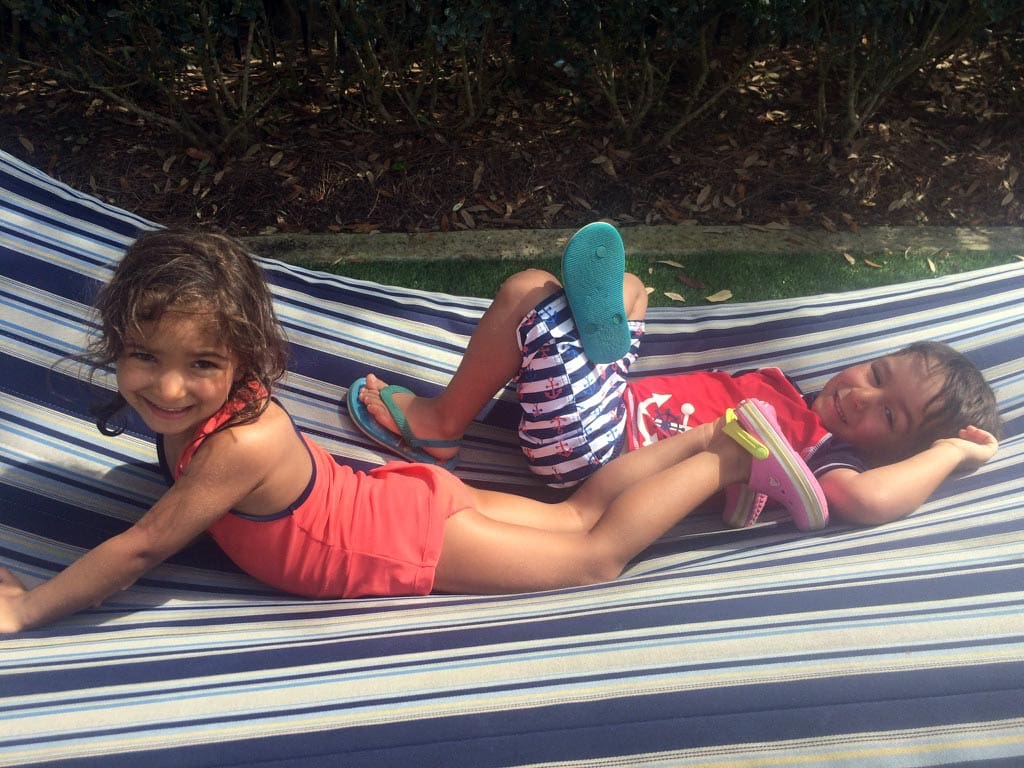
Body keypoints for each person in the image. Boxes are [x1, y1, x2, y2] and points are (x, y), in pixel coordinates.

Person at [0, 227, 856, 634]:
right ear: (116, 345)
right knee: (571, 515)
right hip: (397, 500)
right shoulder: (222, 409)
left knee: (590, 556)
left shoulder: (237, 443)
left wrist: (29, 606)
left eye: (200, 365)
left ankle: (728, 463)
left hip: (395, 542)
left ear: (243, 359)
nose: (170, 387)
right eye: (144, 358)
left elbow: (143, 548)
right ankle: (714, 442)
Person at [351, 222, 1002, 529]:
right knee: (631, 290)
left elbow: (868, 500)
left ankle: (439, 426)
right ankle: (592, 323)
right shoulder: (788, 393)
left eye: (890, 416)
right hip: (600, 410)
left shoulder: (824, 452)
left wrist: (949, 451)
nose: (862, 394)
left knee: (529, 293)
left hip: (598, 457)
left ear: (893, 449)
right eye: (878, 373)